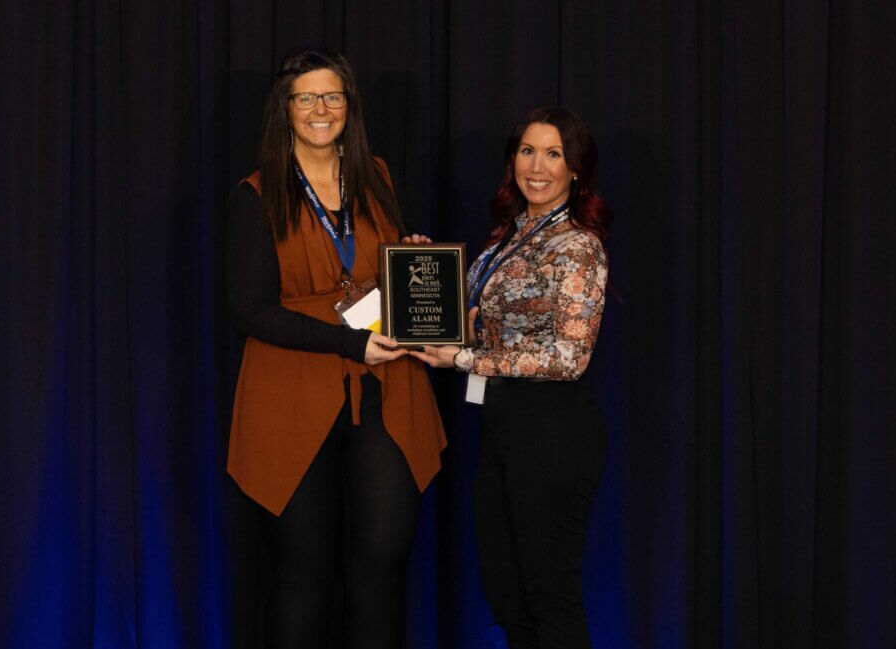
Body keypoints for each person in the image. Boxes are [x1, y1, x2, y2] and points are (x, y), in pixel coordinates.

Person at [225, 46, 446, 649]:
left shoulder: (377, 176)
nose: (321, 109)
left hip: (385, 388)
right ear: (285, 109)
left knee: (381, 569)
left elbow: (379, 275)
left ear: (349, 105)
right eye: (306, 98)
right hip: (291, 393)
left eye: (332, 96)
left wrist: (412, 263)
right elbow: (249, 312)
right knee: (303, 577)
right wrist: (349, 344)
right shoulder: (257, 193)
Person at [410, 107, 612, 648]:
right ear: (512, 161)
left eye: (554, 154)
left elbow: (569, 357)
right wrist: (422, 277)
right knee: (508, 598)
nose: (538, 166)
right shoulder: (506, 237)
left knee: (550, 594)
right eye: (527, 151)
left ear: (575, 169)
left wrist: (465, 360)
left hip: (554, 430)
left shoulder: (578, 246)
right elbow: (478, 327)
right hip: (501, 427)